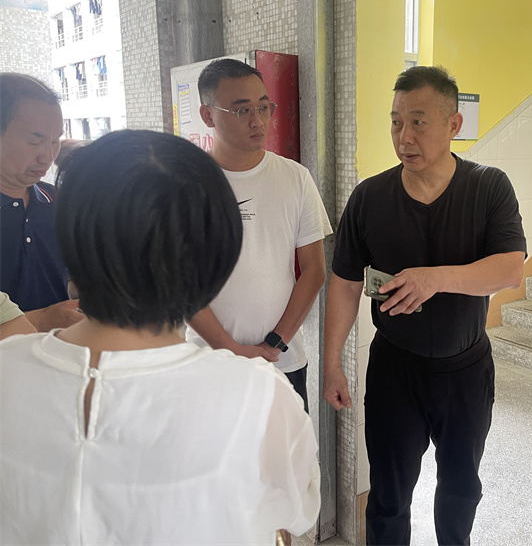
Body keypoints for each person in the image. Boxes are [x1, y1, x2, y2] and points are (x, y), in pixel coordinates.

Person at [0, 130, 320, 544]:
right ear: (216, 259)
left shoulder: (8, 366)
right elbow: (296, 512)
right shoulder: (255, 395)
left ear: (70, 241)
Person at [323, 65, 526, 545]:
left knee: (460, 489)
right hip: (395, 371)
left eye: (418, 122)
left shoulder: (488, 187)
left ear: (453, 125)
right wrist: (331, 364)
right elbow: (345, 283)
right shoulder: (370, 198)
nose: (403, 136)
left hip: (465, 372)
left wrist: (436, 278)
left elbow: (509, 270)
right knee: (388, 494)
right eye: (396, 122)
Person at [186, 58, 332, 411]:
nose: (258, 120)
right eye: (242, 110)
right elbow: (179, 284)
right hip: (208, 362)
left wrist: (275, 343)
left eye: (264, 107)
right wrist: (231, 349)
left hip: (282, 361)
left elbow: (314, 271)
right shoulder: (185, 185)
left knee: (287, 448)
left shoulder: (295, 178)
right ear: (207, 115)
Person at [0, 73, 82, 331]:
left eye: (55, 140)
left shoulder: (60, 202)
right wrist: (41, 319)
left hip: (61, 351)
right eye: (34, 141)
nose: (48, 156)